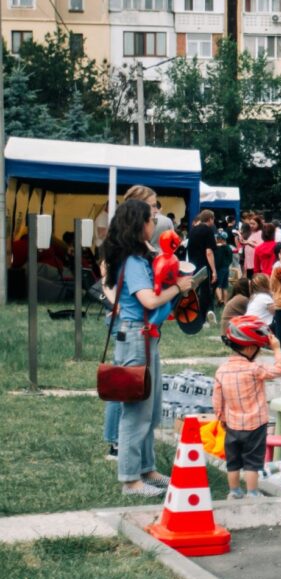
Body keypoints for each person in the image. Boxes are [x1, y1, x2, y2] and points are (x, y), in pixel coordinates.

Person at [100, 198, 194, 496]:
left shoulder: (136, 258)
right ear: (138, 224)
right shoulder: (133, 261)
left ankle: (147, 469)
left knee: (151, 410)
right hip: (135, 338)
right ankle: (131, 479)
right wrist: (179, 288)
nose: (155, 225)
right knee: (137, 411)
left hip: (145, 337)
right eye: (151, 220)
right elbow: (149, 301)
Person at [214, 315, 281, 498]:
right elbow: (280, 369)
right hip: (255, 425)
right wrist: (277, 349)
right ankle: (252, 492)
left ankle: (234, 492)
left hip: (232, 424)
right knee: (252, 463)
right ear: (249, 348)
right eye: (258, 348)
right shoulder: (254, 369)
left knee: (233, 463)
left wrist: (221, 418)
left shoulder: (221, 370)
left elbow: (217, 399)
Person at [186, 209, 218, 320]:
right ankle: (202, 318)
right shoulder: (208, 231)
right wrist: (214, 270)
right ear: (210, 219)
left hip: (192, 265)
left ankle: (188, 313)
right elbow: (209, 252)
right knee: (205, 292)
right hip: (204, 266)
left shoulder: (193, 230)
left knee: (193, 291)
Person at [213, 231, 233, 306]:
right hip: (226, 268)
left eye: (218, 238)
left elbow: (218, 260)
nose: (217, 239)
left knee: (217, 285)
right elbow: (230, 259)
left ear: (221, 239)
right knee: (225, 286)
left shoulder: (219, 248)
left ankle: (220, 299)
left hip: (220, 269)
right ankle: (225, 302)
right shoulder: (228, 248)